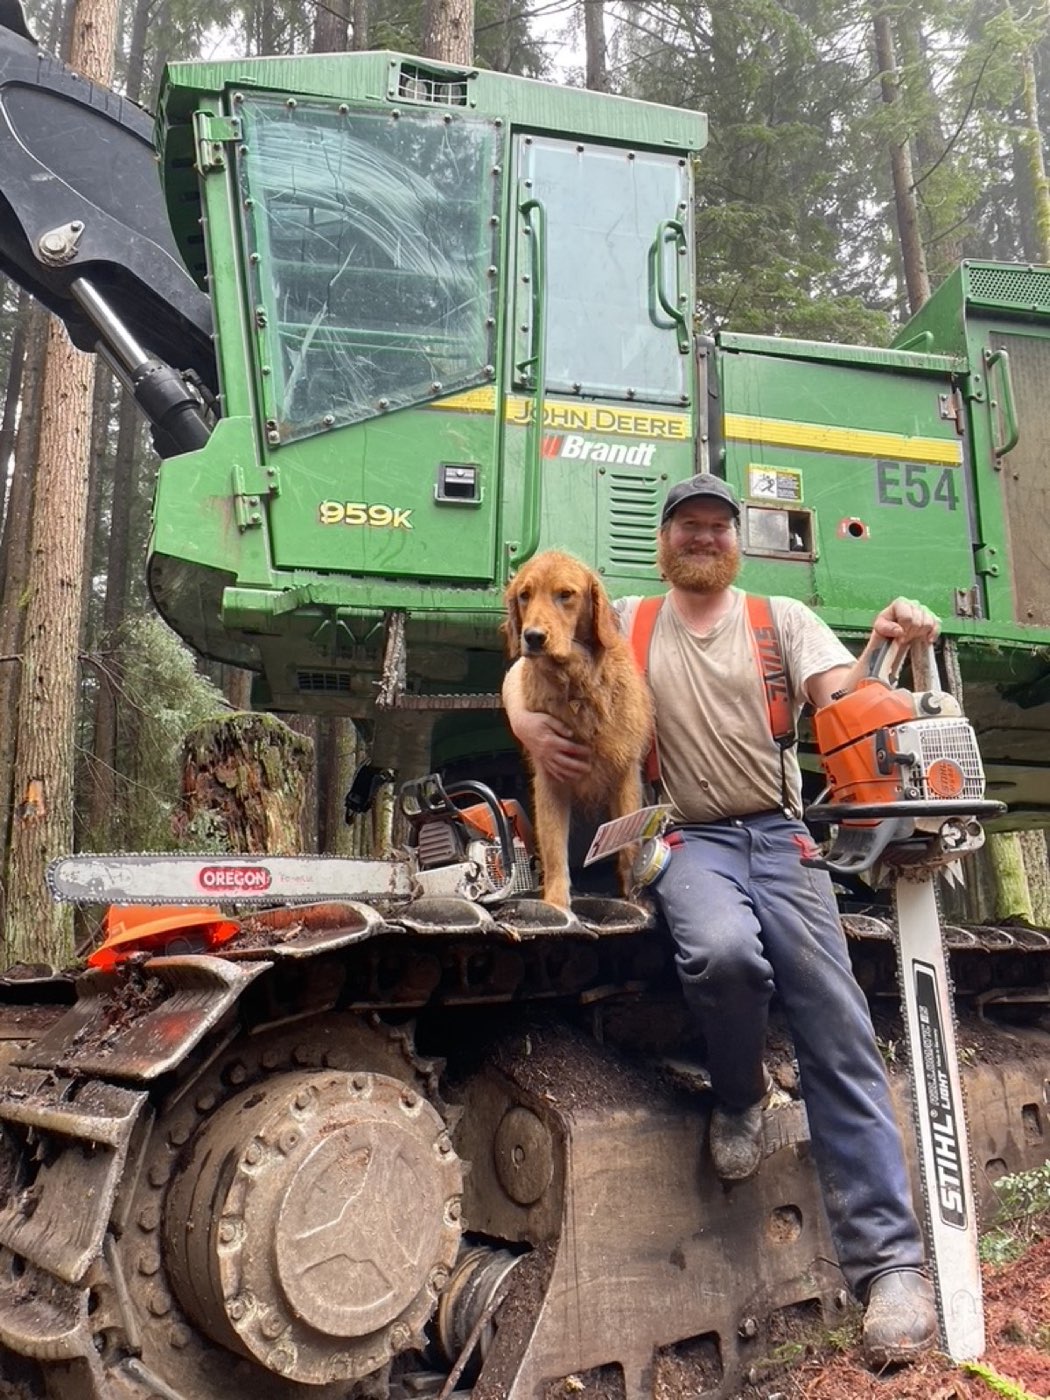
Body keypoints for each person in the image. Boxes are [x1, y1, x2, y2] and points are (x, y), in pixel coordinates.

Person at [502, 473, 939, 1367]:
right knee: (724, 958)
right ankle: (739, 1096)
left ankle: (890, 1269)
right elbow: (528, 655)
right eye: (686, 526)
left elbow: (845, 692)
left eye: (718, 526)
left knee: (833, 1013)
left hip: (780, 835)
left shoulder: (780, 619)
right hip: (688, 839)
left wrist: (891, 642)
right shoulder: (625, 616)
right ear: (664, 543)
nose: (703, 537)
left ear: (736, 542)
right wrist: (526, 725)